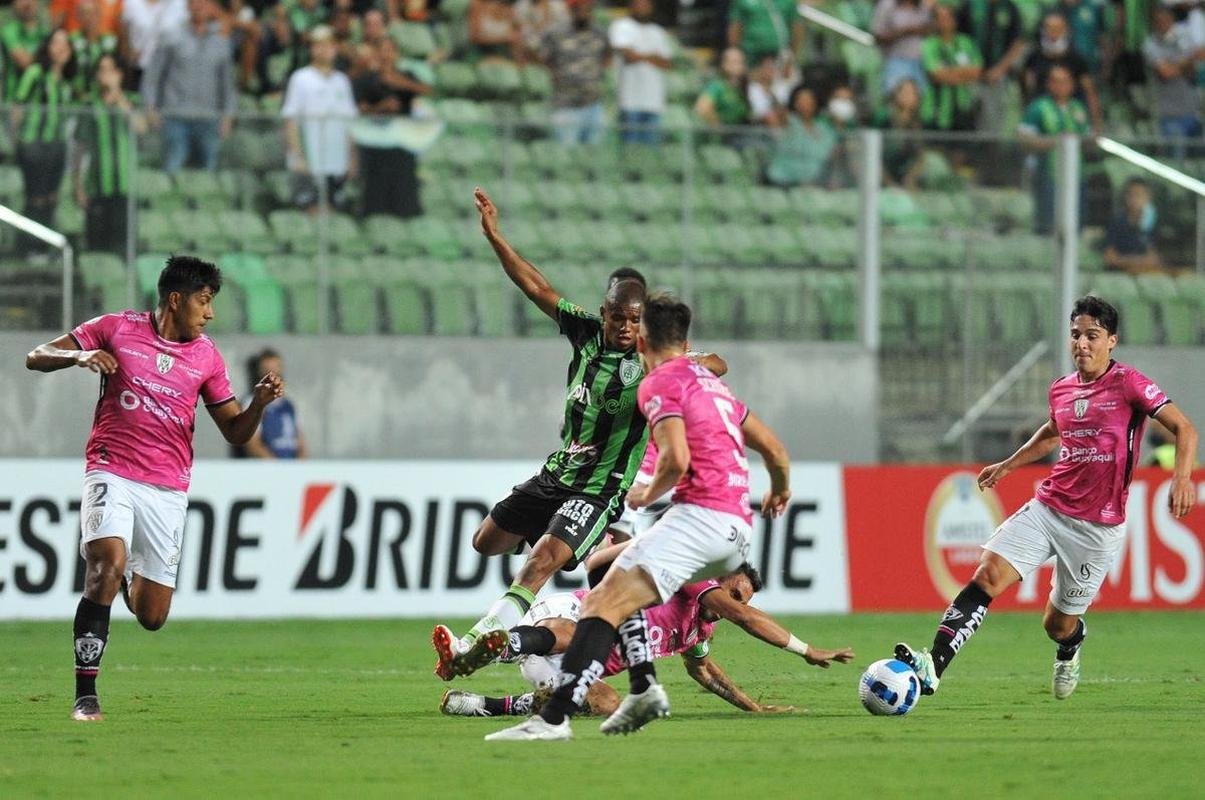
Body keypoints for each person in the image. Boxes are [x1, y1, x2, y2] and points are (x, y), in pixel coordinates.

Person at [484, 292, 794, 741]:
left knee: (601, 583)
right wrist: (780, 491)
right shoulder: (712, 387)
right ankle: (633, 688)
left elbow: (676, 458)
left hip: (687, 515)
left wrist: (651, 488)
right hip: (730, 523)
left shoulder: (658, 384)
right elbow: (775, 451)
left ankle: (592, 693)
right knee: (606, 591)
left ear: (645, 341)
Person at [894, 295, 1198, 703]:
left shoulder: (1129, 384)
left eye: (1092, 336)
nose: (1082, 344)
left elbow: (1184, 429)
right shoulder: (1062, 389)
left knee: (1057, 624)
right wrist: (1007, 465)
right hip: (1049, 508)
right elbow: (1053, 432)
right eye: (1075, 335)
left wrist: (1181, 478)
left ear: (1112, 341)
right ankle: (933, 665)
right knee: (986, 576)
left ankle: (1071, 645)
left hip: (1097, 527)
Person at [24, 255, 286, 722]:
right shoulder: (115, 328)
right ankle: (86, 695)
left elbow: (234, 432)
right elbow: (36, 356)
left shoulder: (207, 356)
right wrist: (78, 354)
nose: (210, 314)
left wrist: (259, 405)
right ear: (175, 299)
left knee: (152, 616)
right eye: (204, 302)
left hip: (166, 489)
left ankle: (127, 576)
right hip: (111, 469)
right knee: (104, 563)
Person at [430, 189, 653, 678]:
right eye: (617, 317)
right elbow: (535, 285)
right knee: (485, 542)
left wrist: (698, 364)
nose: (624, 327)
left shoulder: (656, 359)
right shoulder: (586, 332)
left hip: (599, 489)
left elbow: (715, 364)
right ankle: (568, 542)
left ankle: (471, 646)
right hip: (558, 472)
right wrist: (495, 236)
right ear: (605, 312)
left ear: (644, 321)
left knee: (539, 565)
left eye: (634, 320)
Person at [440, 560, 854, 717]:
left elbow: (705, 672)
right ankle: (504, 645)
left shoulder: (700, 629)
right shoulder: (691, 584)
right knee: (578, 632)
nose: (734, 604)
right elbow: (746, 618)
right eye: (734, 593)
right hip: (564, 616)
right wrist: (805, 650)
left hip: (567, 662)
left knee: (607, 703)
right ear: (719, 580)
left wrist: (754, 707)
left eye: (741, 598)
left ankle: (483, 705)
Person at [141, 0, 236, 174]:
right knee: (173, 167)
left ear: (211, 7)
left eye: (204, 3)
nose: (199, 6)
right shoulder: (172, 37)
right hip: (175, 116)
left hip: (208, 118)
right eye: (195, 2)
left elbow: (227, 85)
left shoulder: (221, 42)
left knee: (208, 171)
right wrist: (150, 107)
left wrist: (227, 116)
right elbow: (152, 76)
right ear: (188, 6)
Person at [12, 29, 77, 257]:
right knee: (36, 198)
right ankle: (29, 248)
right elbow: (18, 107)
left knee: (51, 198)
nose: (60, 48)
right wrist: (18, 141)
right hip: (34, 144)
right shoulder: (36, 73)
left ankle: (46, 248)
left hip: (57, 146)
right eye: (56, 43)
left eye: (65, 44)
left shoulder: (66, 81)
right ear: (47, 47)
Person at [281, 25, 358, 212]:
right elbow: (290, 120)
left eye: (329, 45)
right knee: (311, 210)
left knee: (333, 211)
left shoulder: (342, 81)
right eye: (319, 45)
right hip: (310, 162)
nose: (324, 49)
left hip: (335, 161)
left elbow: (350, 123)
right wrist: (297, 155)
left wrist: (352, 158)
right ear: (312, 49)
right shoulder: (301, 78)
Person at [350, 40, 430, 218]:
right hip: (374, 144)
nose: (386, 55)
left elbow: (429, 91)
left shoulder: (407, 76)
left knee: (403, 196)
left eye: (390, 51)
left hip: (402, 144)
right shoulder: (366, 79)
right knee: (375, 196)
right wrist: (380, 108)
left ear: (396, 54)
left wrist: (401, 83)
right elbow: (359, 109)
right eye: (382, 51)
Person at [74, 54, 143, 255]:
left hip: (125, 186)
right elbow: (79, 147)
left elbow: (140, 127)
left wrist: (118, 95)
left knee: (122, 246)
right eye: (101, 70)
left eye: (110, 70)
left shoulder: (131, 101)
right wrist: (77, 184)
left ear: (119, 74)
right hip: (97, 186)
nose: (105, 75)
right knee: (96, 246)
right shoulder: (90, 106)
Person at [1018, 64, 1090, 236]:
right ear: (1049, 84)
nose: (1060, 86)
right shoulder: (1038, 108)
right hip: (1048, 174)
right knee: (1048, 222)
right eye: (1055, 81)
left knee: (1075, 220)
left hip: (1076, 174)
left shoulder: (1077, 108)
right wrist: (1056, 142)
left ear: (1072, 84)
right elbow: (1023, 139)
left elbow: (1087, 138)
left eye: (1065, 81)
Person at [540, 0, 610, 145]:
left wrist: (596, 73)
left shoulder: (600, 33)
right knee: (567, 154)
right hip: (566, 103)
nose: (583, 12)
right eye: (579, 8)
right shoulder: (555, 32)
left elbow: (607, 55)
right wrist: (554, 73)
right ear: (572, 10)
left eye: (587, 8)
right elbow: (543, 57)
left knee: (594, 157)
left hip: (593, 103)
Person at [1022, 12, 1102, 130]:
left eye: (1057, 29)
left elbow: (1089, 91)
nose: (1053, 33)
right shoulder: (1034, 57)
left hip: (1072, 114)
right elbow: (1028, 87)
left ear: (1066, 30)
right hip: (1042, 114)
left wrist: (1096, 124)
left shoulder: (1076, 58)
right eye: (1049, 28)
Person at [609, 0, 672, 145]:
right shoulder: (621, 26)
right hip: (629, 102)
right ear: (631, 5)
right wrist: (652, 56)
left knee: (650, 156)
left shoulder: (658, 31)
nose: (642, 7)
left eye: (646, 4)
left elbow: (666, 63)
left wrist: (640, 55)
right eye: (639, 3)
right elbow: (628, 57)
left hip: (653, 103)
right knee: (630, 152)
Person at [957, 0, 1024, 133]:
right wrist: (969, 68)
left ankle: (991, 152)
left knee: (993, 122)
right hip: (969, 75)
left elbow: (1017, 43)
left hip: (997, 76)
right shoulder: (970, 5)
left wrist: (1000, 69)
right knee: (965, 119)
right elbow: (958, 38)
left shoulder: (1009, 8)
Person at [1143, 5, 1204, 150]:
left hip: (1192, 111)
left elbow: (1196, 65)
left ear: (1172, 20)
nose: (1163, 24)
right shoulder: (1150, 44)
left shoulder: (1183, 38)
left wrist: (1180, 64)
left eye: (1166, 20)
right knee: (1174, 164)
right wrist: (1189, 59)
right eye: (1158, 21)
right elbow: (1166, 72)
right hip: (1168, 115)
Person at [920, 3, 982, 132]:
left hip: (963, 107)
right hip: (936, 110)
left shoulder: (966, 42)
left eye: (948, 17)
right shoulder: (929, 44)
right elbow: (934, 74)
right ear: (935, 22)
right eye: (940, 18)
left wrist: (947, 73)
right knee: (935, 151)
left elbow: (976, 72)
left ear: (954, 20)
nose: (944, 22)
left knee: (962, 150)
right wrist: (963, 74)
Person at [239, 348, 307, 459]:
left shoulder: (289, 405)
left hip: (291, 467)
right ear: (259, 372)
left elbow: (301, 442)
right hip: (268, 470)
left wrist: (299, 466)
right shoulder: (252, 402)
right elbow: (252, 444)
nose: (272, 374)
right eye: (267, 370)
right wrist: (276, 467)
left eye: (276, 368)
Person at [765, 84, 838, 187]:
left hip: (815, 183)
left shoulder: (824, 126)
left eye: (808, 99)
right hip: (783, 181)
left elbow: (831, 153)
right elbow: (777, 114)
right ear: (795, 102)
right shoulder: (789, 121)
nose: (805, 103)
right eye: (801, 99)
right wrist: (771, 95)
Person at [871, 77, 929, 190]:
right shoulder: (884, 119)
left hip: (907, 177)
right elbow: (875, 156)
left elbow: (920, 156)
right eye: (904, 92)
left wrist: (911, 179)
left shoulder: (919, 123)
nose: (908, 96)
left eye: (912, 92)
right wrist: (889, 184)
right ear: (895, 95)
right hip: (884, 176)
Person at [1103, 177, 1165, 274]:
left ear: (1148, 198)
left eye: (1139, 195)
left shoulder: (1152, 224)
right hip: (1118, 276)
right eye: (1131, 195)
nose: (1134, 199)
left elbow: (1153, 260)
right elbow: (1110, 258)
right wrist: (1138, 261)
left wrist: (1124, 260)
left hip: (1145, 275)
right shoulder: (1117, 222)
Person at [871, 0, 934, 94]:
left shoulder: (923, 5)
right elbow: (877, 36)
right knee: (895, 96)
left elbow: (932, 30)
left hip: (921, 61)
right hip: (896, 60)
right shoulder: (887, 4)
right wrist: (904, 32)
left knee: (920, 98)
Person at [70, 0, 121, 100]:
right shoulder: (72, 41)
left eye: (93, 13)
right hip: (78, 99)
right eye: (84, 13)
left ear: (100, 15)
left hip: (105, 98)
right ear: (78, 16)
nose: (89, 18)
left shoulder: (111, 42)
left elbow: (120, 71)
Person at [727, 0, 803, 67]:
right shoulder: (742, 1)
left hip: (780, 55)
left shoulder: (788, 1)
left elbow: (797, 27)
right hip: (750, 54)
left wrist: (792, 56)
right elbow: (735, 26)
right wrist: (735, 52)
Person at [1, 0, 50, 101]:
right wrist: (47, 60)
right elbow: (24, 62)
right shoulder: (8, 31)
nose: (26, 3)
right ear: (14, 4)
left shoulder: (45, 32)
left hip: (42, 102)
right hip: (14, 102)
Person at [694, 46, 751, 129]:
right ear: (724, 64)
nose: (738, 65)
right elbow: (702, 108)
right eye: (734, 61)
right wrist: (720, 126)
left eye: (741, 62)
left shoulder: (743, 86)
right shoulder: (717, 86)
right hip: (728, 137)